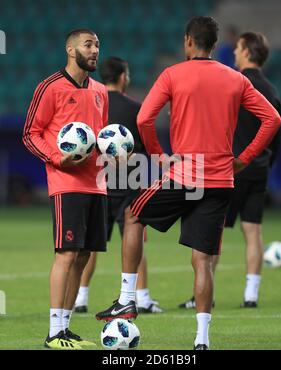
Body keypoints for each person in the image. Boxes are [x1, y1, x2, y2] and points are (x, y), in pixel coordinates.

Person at [95, 16, 281, 350]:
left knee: (133, 216)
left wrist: (158, 155)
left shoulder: (173, 74)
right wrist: (245, 157)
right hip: (222, 178)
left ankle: (126, 299)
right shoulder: (234, 78)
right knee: (203, 260)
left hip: (185, 172)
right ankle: (202, 339)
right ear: (214, 44)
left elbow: (144, 118)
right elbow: (273, 119)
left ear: (188, 42)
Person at [178, 31, 281, 310]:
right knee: (253, 231)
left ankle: (203, 296)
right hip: (259, 168)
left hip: (230, 168)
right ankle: (251, 294)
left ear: (247, 51)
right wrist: (264, 163)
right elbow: (275, 133)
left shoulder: (234, 84)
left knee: (213, 233)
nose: (234, 52)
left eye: (237, 48)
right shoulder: (271, 90)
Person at [23, 29, 108, 349]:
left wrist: (115, 152)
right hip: (67, 181)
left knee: (85, 255)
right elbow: (31, 133)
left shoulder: (101, 90)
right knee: (67, 252)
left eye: (97, 45)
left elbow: (101, 137)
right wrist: (59, 158)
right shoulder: (50, 87)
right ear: (71, 50)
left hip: (97, 183)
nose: (95, 50)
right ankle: (53, 332)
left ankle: (66, 329)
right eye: (89, 45)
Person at [74, 57, 163, 314]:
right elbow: (146, 149)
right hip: (130, 186)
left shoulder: (91, 107)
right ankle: (143, 298)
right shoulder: (137, 109)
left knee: (91, 245)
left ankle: (81, 297)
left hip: (98, 184)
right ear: (123, 76)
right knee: (135, 241)